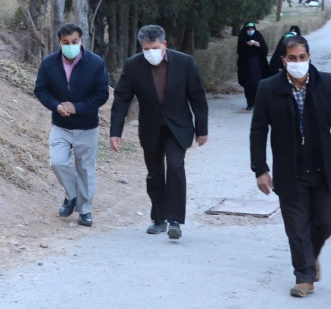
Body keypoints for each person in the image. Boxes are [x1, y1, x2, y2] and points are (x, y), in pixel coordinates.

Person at [250, 34, 331, 298]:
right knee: (296, 227)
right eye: (292, 58)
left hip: (322, 168)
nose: (298, 62)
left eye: (302, 57)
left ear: (309, 57)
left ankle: (310, 257)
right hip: (289, 172)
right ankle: (304, 277)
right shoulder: (268, 87)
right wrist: (260, 169)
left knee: (327, 220)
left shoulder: (327, 83)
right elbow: (258, 131)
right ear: (284, 60)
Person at [110, 25, 209, 240]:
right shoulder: (133, 66)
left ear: (164, 44)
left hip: (178, 127)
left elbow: (198, 98)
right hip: (150, 128)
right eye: (146, 48)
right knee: (155, 174)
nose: (150, 52)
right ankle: (158, 217)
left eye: (154, 47)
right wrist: (115, 132)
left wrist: (202, 129)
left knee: (175, 167)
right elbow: (121, 99)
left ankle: (174, 220)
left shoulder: (185, 62)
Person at [33, 23, 110, 227]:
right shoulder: (49, 63)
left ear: (81, 40)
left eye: (74, 42)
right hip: (60, 124)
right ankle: (72, 195)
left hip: (87, 126)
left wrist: (78, 107)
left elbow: (102, 94)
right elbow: (40, 90)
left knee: (85, 168)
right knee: (57, 162)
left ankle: (85, 210)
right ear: (59, 42)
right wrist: (56, 105)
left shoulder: (96, 63)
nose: (70, 46)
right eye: (66, 42)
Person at [236, 22, 271, 111]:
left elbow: (265, 48)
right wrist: (246, 44)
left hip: (258, 64)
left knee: (257, 84)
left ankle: (256, 102)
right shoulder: (242, 37)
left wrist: (259, 45)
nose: (250, 31)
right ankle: (249, 103)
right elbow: (239, 51)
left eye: (252, 29)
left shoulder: (258, 35)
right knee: (248, 85)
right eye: (248, 30)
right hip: (246, 65)